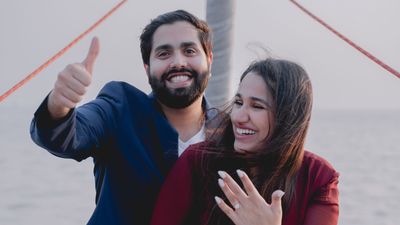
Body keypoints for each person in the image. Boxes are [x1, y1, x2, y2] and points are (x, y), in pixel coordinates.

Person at [30, 10, 214, 225]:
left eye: (189, 50)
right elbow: (65, 136)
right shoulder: (120, 108)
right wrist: (59, 103)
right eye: (164, 54)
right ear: (147, 69)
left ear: (209, 60)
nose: (178, 62)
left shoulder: (230, 134)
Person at [151, 58, 340, 225]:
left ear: (289, 117)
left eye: (257, 106)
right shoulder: (196, 160)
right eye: (239, 103)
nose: (238, 117)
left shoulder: (318, 177)